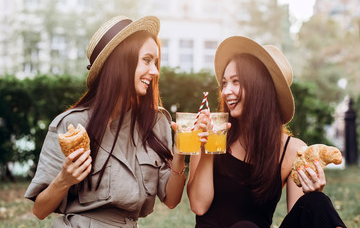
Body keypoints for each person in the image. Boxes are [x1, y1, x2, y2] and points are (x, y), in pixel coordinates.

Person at [24, 15, 187, 227]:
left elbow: (172, 200)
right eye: (147, 60)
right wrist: (64, 179)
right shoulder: (71, 126)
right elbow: (40, 210)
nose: (155, 71)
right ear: (121, 61)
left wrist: (181, 152)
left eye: (155, 63)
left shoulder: (156, 122)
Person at [187, 36, 347, 228]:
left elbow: (299, 218)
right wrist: (206, 151)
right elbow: (198, 206)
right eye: (224, 83)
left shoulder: (293, 150)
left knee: (317, 202)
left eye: (236, 81)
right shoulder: (210, 133)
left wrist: (312, 192)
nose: (226, 91)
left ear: (261, 88)